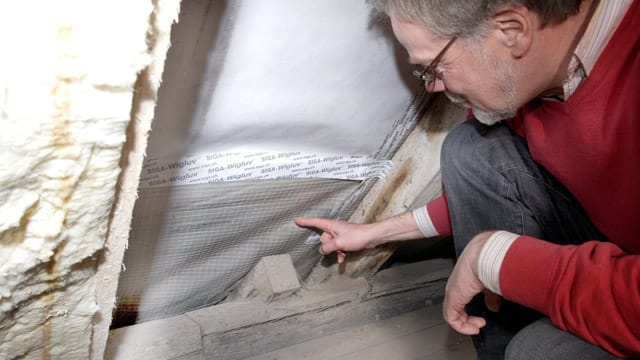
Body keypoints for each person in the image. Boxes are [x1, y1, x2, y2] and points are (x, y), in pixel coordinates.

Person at [295, 0, 639, 358]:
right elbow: (487, 189)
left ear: (512, 31)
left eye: (434, 68)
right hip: (610, 243)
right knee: (471, 148)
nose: (433, 86)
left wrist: (496, 259)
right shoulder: (528, 77)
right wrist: (373, 233)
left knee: (538, 351)